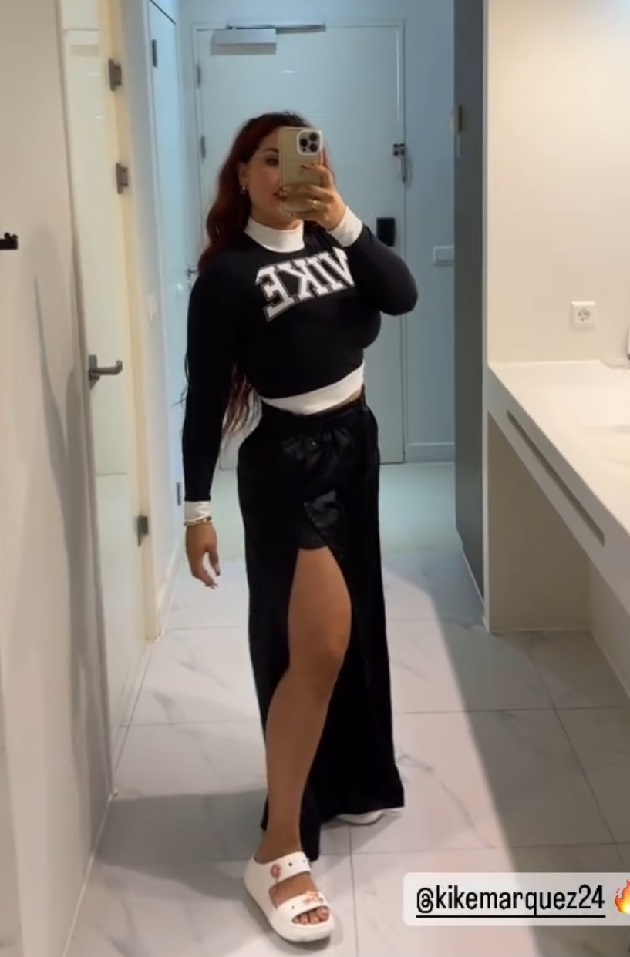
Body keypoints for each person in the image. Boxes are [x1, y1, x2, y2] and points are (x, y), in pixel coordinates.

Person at [182, 110, 418, 945]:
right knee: (315, 645)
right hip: (290, 464)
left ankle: (346, 780)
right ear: (242, 175)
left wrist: (342, 216)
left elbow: (401, 295)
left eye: (301, 156)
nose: (284, 173)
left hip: (355, 444)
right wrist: (196, 509)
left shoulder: (335, 243)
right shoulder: (227, 277)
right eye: (267, 159)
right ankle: (277, 849)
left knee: (355, 631)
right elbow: (205, 400)